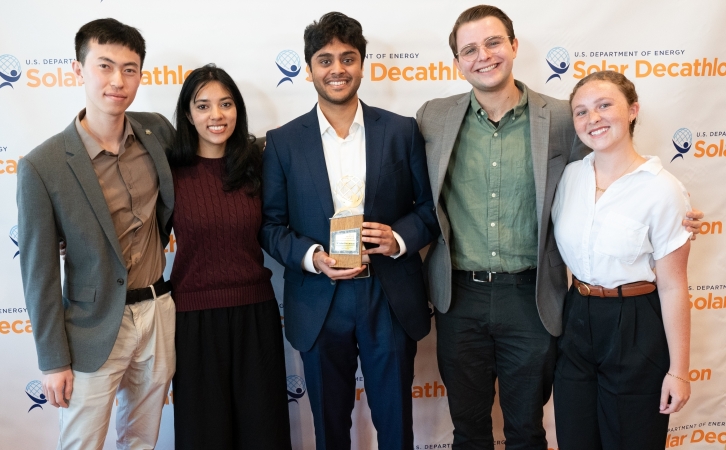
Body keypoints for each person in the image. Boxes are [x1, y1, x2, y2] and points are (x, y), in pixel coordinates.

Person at [415, 5, 703, 449]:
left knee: (528, 429)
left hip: (531, 297)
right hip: (460, 295)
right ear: (457, 62)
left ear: (513, 46)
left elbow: (612, 160)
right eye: (469, 49)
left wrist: (669, 210)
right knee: (468, 429)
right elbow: (410, 191)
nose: (483, 56)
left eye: (493, 42)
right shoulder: (432, 117)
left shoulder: (564, 118)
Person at [259, 12, 439, 450]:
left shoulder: (401, 130)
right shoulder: (282, 141)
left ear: (362, 64)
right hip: (319, 299)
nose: (337, 69)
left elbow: (429, 211)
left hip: (389, 294)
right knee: (329, 427)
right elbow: (270, 226)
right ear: (309, 69)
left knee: (396, 425)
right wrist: (312, 257)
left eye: (347, 58)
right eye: (325, 59)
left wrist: (397, 239)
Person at [17, 18, 176, 449]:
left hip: (158, 310)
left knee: (143, 439)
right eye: (104, 66)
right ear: (77, 70)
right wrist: (53, 362)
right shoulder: (42, 165)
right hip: (91, 326)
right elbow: (40, 274)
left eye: (129, 69)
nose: (117, 81)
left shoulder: (156, 132)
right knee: (82, 442)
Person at [551, 70, 691, 449]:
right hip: (577, 316)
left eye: (603, 105)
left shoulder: (663, 189)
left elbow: (675, 284)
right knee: (575, 438)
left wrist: (679, 371)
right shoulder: (569, 178)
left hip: (635, 323)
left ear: (632, 110)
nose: (592, 118)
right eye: (580, 112)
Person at [167, 64, 291, 450]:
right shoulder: (168, 171)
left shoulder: (259, 164)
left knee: (263, 432)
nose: (216, 115)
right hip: (193, 323)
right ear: (188, 115)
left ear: (238, 109)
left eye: (225, 104)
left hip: (255, 315)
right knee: (204, 434)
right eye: (203, 106)